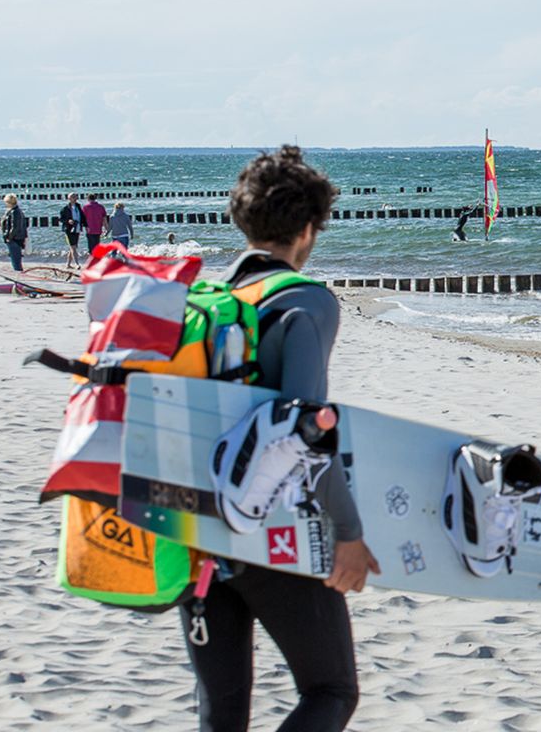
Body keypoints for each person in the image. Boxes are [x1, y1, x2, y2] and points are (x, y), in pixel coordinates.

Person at [180, 146, 376, 732]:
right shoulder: (305, 300)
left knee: (220, 714)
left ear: (243, 221)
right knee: (331, 691)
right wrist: (348, 533)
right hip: (273, 530)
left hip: (198, 530)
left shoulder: (207, 302)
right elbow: (307, 432)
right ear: (309, 228)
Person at [0, 194, 28, 271]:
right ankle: (19, 275)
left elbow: (15, 227)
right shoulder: (17, 211)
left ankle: (19, 276)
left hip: (15, 239)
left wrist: (9, 237)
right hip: (18, 238)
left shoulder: (14, 212)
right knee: (16, 260)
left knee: (16, 261)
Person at [60, 194, 83, 268]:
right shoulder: (65, 208)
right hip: (68, 229)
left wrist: (86, 225)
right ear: (69, 199)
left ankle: (68, 264)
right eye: (73, 197)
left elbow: (82, 217)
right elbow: (61, 219)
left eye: (76, 196)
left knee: (74, 246)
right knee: (73, 246)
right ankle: (77, 263)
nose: (75, 198)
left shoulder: (78, 207)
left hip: (77, 228)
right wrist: (68, 221)